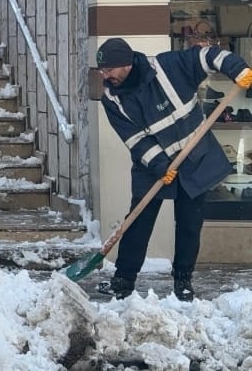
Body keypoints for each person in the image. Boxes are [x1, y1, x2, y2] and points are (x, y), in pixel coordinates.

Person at [96, 38, 252, 301]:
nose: (105, 75)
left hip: (195, 156)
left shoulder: (170, 66)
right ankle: (123, 280)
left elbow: (207, 55)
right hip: (153, 164)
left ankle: (183, 280)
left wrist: (237, 68)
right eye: (102, 70)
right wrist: (159, 165)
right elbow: (134, 139)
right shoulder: (111, 98)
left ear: (127, 64)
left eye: (109, 69)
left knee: (190, 223)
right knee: (138, 221)